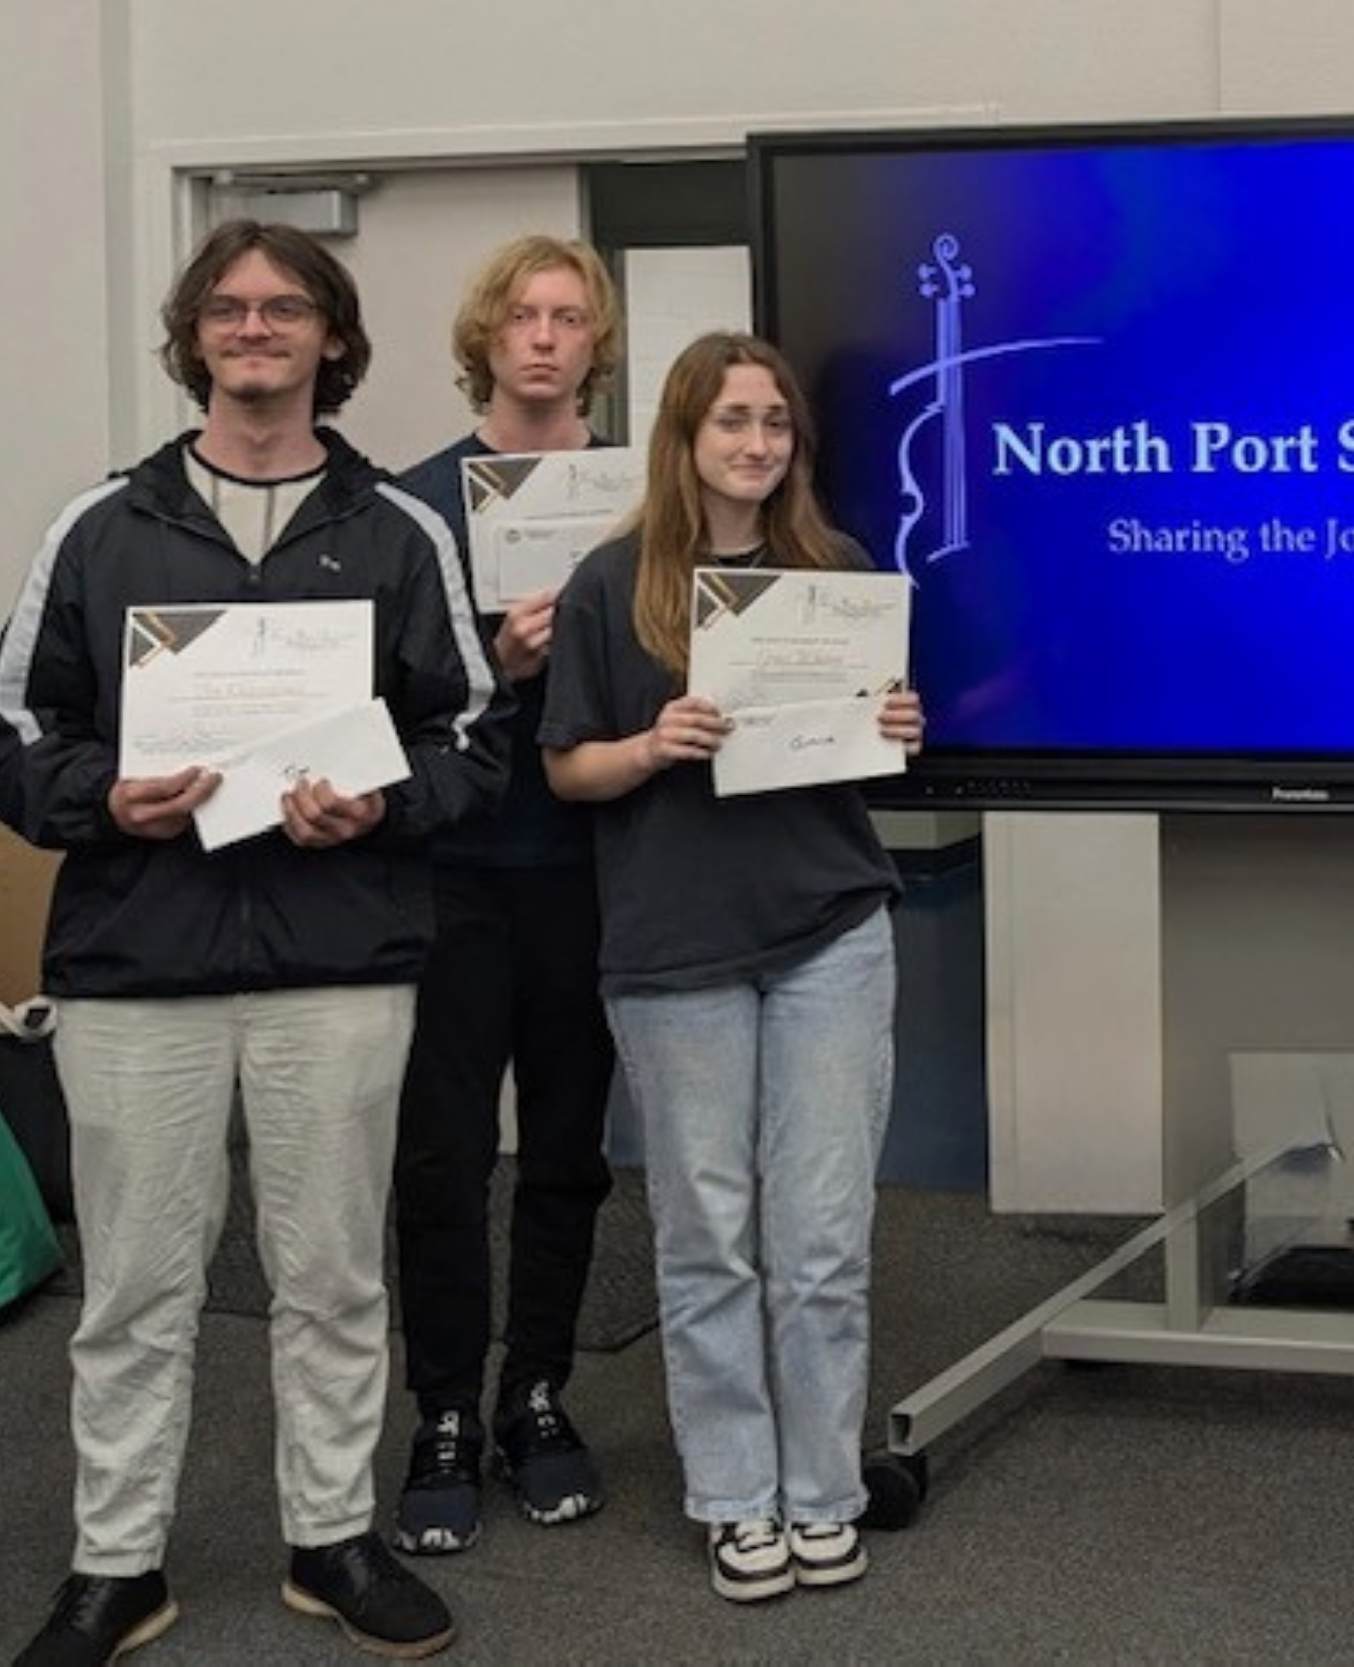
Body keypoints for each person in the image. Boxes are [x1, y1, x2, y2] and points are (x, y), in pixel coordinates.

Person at [0, 220, 511, 1663]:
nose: (256, 327)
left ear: (332, 338)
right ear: (194, 337)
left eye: (286, 307)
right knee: (139, 1280)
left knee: (332, 1269)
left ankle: (331, 1534)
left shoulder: (397, 532)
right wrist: (106, 794)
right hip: (137, 964)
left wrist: (384, 802)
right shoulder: (99, 526)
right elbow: (15, 731)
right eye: (228, 307)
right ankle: (116, 1562)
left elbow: (471, 742)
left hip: (338, 962)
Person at [537, 331, 923, 1602]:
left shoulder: (838, 573)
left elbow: (860, 754)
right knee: (708, 1237)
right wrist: (650, 744)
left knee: (819, 1237)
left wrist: (893, 727)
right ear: (685, 438)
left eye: (774, 424)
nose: (756, 445)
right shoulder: (611, 586)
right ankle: (733, 1494)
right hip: (672, 946)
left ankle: (821, 1489)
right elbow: (565, 769)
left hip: (828, 928)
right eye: (730, 423)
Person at [390, 235, 624, 1556]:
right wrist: (493, 655)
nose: (544, 338)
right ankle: (440, 1410)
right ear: (485, 336)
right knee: (441, 1155)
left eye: (569, 318)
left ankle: (534, 1390)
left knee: (572, 1154)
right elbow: (367, 697)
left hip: (593, 872)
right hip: (452, 877)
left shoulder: (641, 496)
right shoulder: (413, 502)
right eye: (523, 316)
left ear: (597, 342)